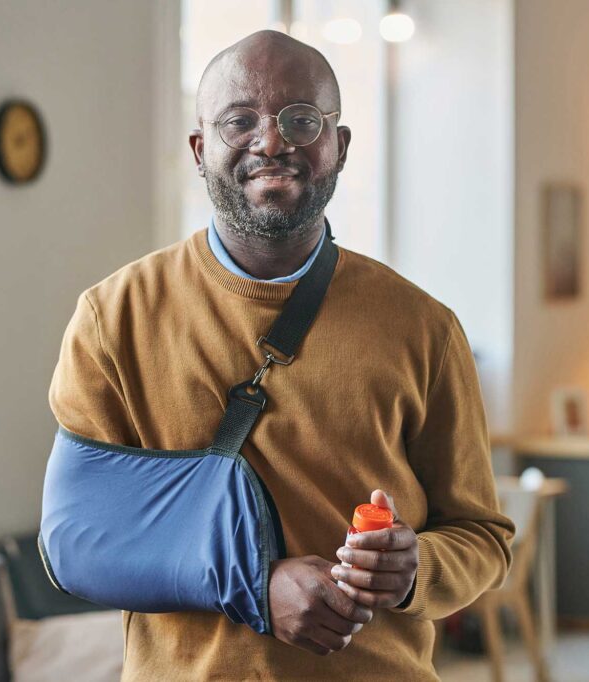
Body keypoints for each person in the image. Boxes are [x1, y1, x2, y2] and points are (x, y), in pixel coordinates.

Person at [47, 29, 515, 681]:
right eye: (240, 120)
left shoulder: (424, 328)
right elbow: (76, 545)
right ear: (199, 148)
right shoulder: (113, 318)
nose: (272, 142)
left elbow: (482, 539)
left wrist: (415, 569)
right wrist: (256, 589)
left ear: (339, 145)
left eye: (302, 119)